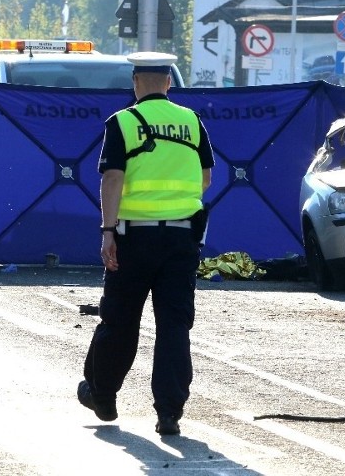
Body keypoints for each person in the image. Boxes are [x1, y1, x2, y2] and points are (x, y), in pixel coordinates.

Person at [77, 51, 214, 436]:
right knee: (174, 326)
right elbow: (204, 178)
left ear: (136, 83)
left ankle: (102, 395)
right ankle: (168, 412)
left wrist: (107, 231)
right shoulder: (192, 122)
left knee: (120, 320)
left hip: (133, 237)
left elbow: (113, 180)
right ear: (169, 84)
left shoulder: (123, 122)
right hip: (182, 237)